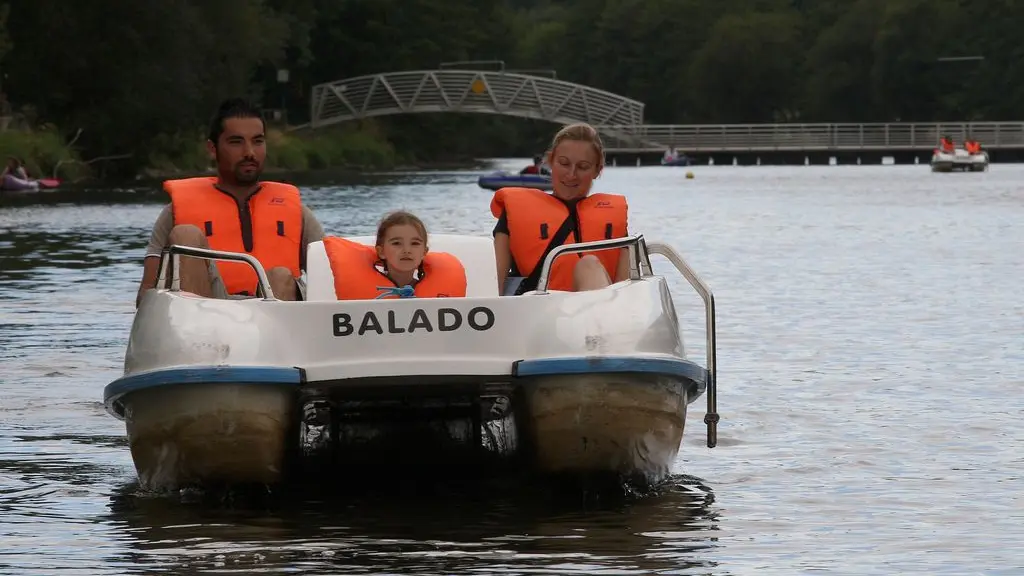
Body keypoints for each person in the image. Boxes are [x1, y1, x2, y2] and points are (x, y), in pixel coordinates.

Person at [136, 98, 325, 307]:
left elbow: (332, 280)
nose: (249, 153)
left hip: (273, 319)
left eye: (257, 141)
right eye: (236, 142)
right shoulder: (173, 214)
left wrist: (367, 257)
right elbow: (146, 296)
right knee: (185, 235)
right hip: (205, 316)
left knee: (280, 275)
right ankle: (202, 337)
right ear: (212, 148)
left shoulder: (297, 213)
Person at [491, 122, 630, 295]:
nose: (571, 175)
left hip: (600, 309)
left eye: (582, 167)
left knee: (588, 265)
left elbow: (626, 291)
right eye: (564, 164)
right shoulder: (514, 212)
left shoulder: (612, 216)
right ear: (551, 162)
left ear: (597, 170)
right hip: (535, 311)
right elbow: (493, 283)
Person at [322, 210, 466, 299]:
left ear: (424, 253)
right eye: (397, 243)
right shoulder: (368, 294)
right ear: (381, 252)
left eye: (415, 243)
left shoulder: (439, 294)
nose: (406, 250)